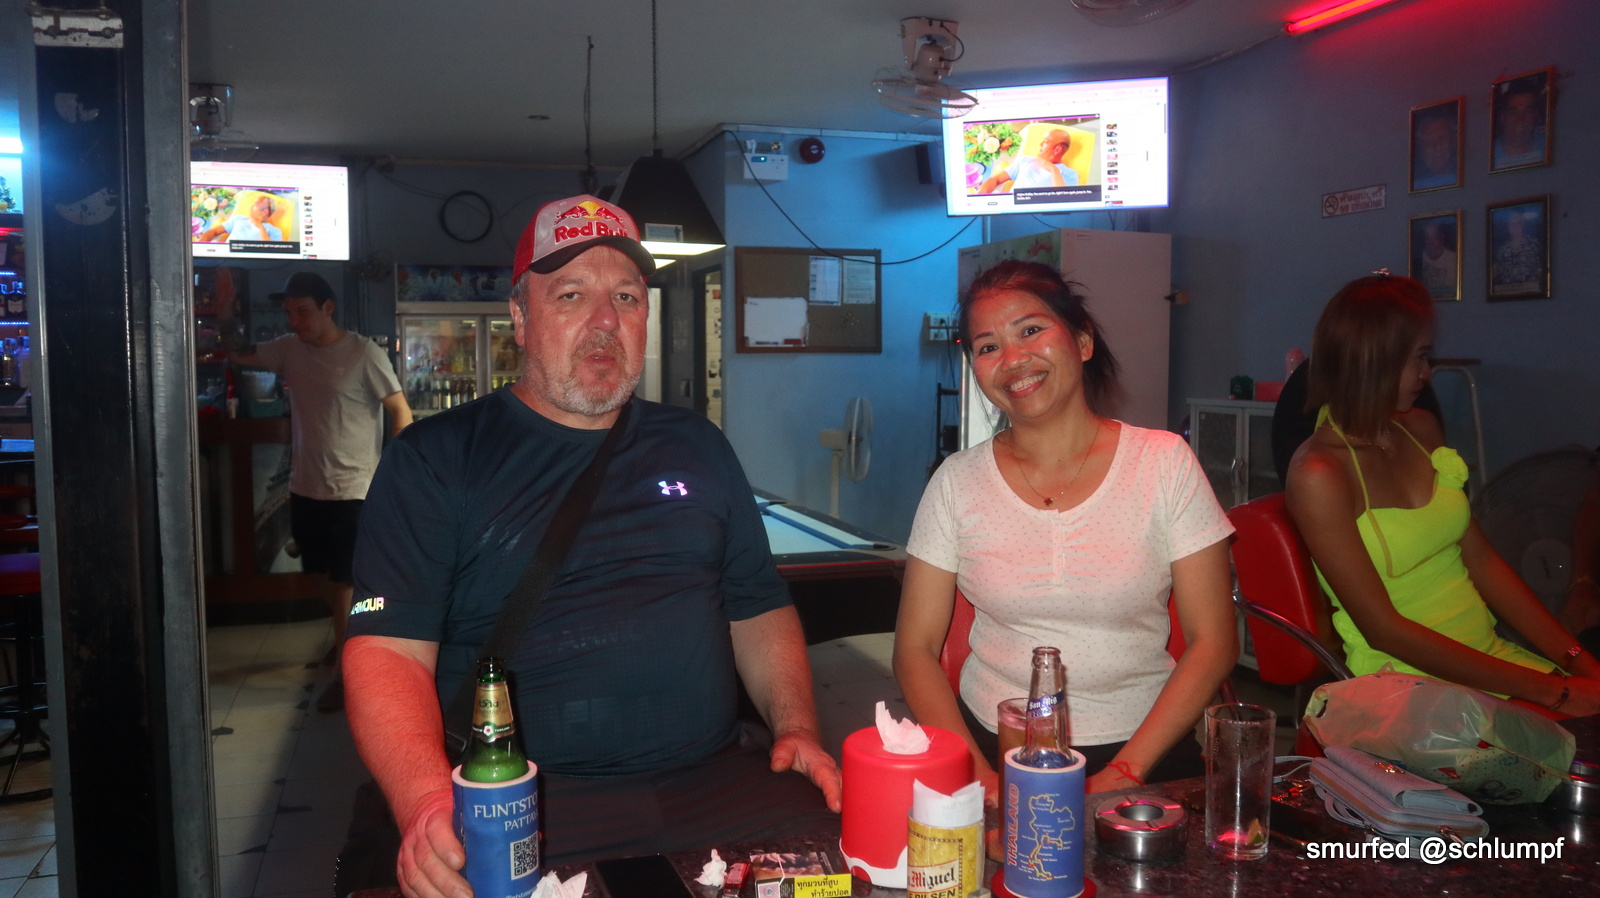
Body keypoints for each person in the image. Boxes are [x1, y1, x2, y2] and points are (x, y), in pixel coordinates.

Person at [342, 194, 841, 896]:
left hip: (717, 778)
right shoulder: (435, 458)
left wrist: (797, 729)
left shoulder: (697, 444)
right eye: (572, 294)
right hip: (527, 797)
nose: (605, 321)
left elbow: (756, 604)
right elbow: (386, 650)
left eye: (626, 297)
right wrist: (426, 802)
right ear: (521, 317)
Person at [893, 260, 1237, 801]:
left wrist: (1123, 775)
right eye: (988, 347)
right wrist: (974, 773)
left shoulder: (1163, 462)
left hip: (1146, 751)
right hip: (993, 748)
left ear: (1082, 341)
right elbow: (914, 647)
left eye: (1030, 330)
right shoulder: (956, 481)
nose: (1013, 359)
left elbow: (1213, 640)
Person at [1285, 274, 1600, 714]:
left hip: (1487, 661)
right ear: (1375, 359)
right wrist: (1552, 691)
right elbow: (1384, 631)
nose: (1426, 373)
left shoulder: (1421, 428)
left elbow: (1484, 562)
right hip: (1404, 685)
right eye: (1419, 357)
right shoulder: (1319, 474)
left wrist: (1579, 661)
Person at [228, 272, 413, 711]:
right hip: (306, 486)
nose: (294, 321)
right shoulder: (289, 350)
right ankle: (347, 633)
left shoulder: (363, 353)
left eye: (303, 311)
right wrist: (223, 310)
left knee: (346, 582)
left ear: (328, 308)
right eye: (290, 313)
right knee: (320, 576)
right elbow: (237, 353)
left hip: (354, 489)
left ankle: (350, 676)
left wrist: (395, 472)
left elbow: (400, 410)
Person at [977, 128, 1080, 194]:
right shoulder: (1026, 161)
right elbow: (996, 180)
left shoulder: (1070, 174)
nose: (1040, 144)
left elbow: (1062, 201)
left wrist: (1053, 169)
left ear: (1057, 149)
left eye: (1046, 142)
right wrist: (979, 198)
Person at [1492, 77, 1547, 169]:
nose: (1520, 119)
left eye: (1528, 111)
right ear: (1502, 116)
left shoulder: (1548, 146)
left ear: (1536, 115)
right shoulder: (1488, 152)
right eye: (1513, 112)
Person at [198, 193, 285, 242]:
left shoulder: (275, 231)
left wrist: (261, 227)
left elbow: (270, 252)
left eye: (255, 204)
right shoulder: (239, 219)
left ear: (265, 212)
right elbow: (213, 232)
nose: (251, 206)